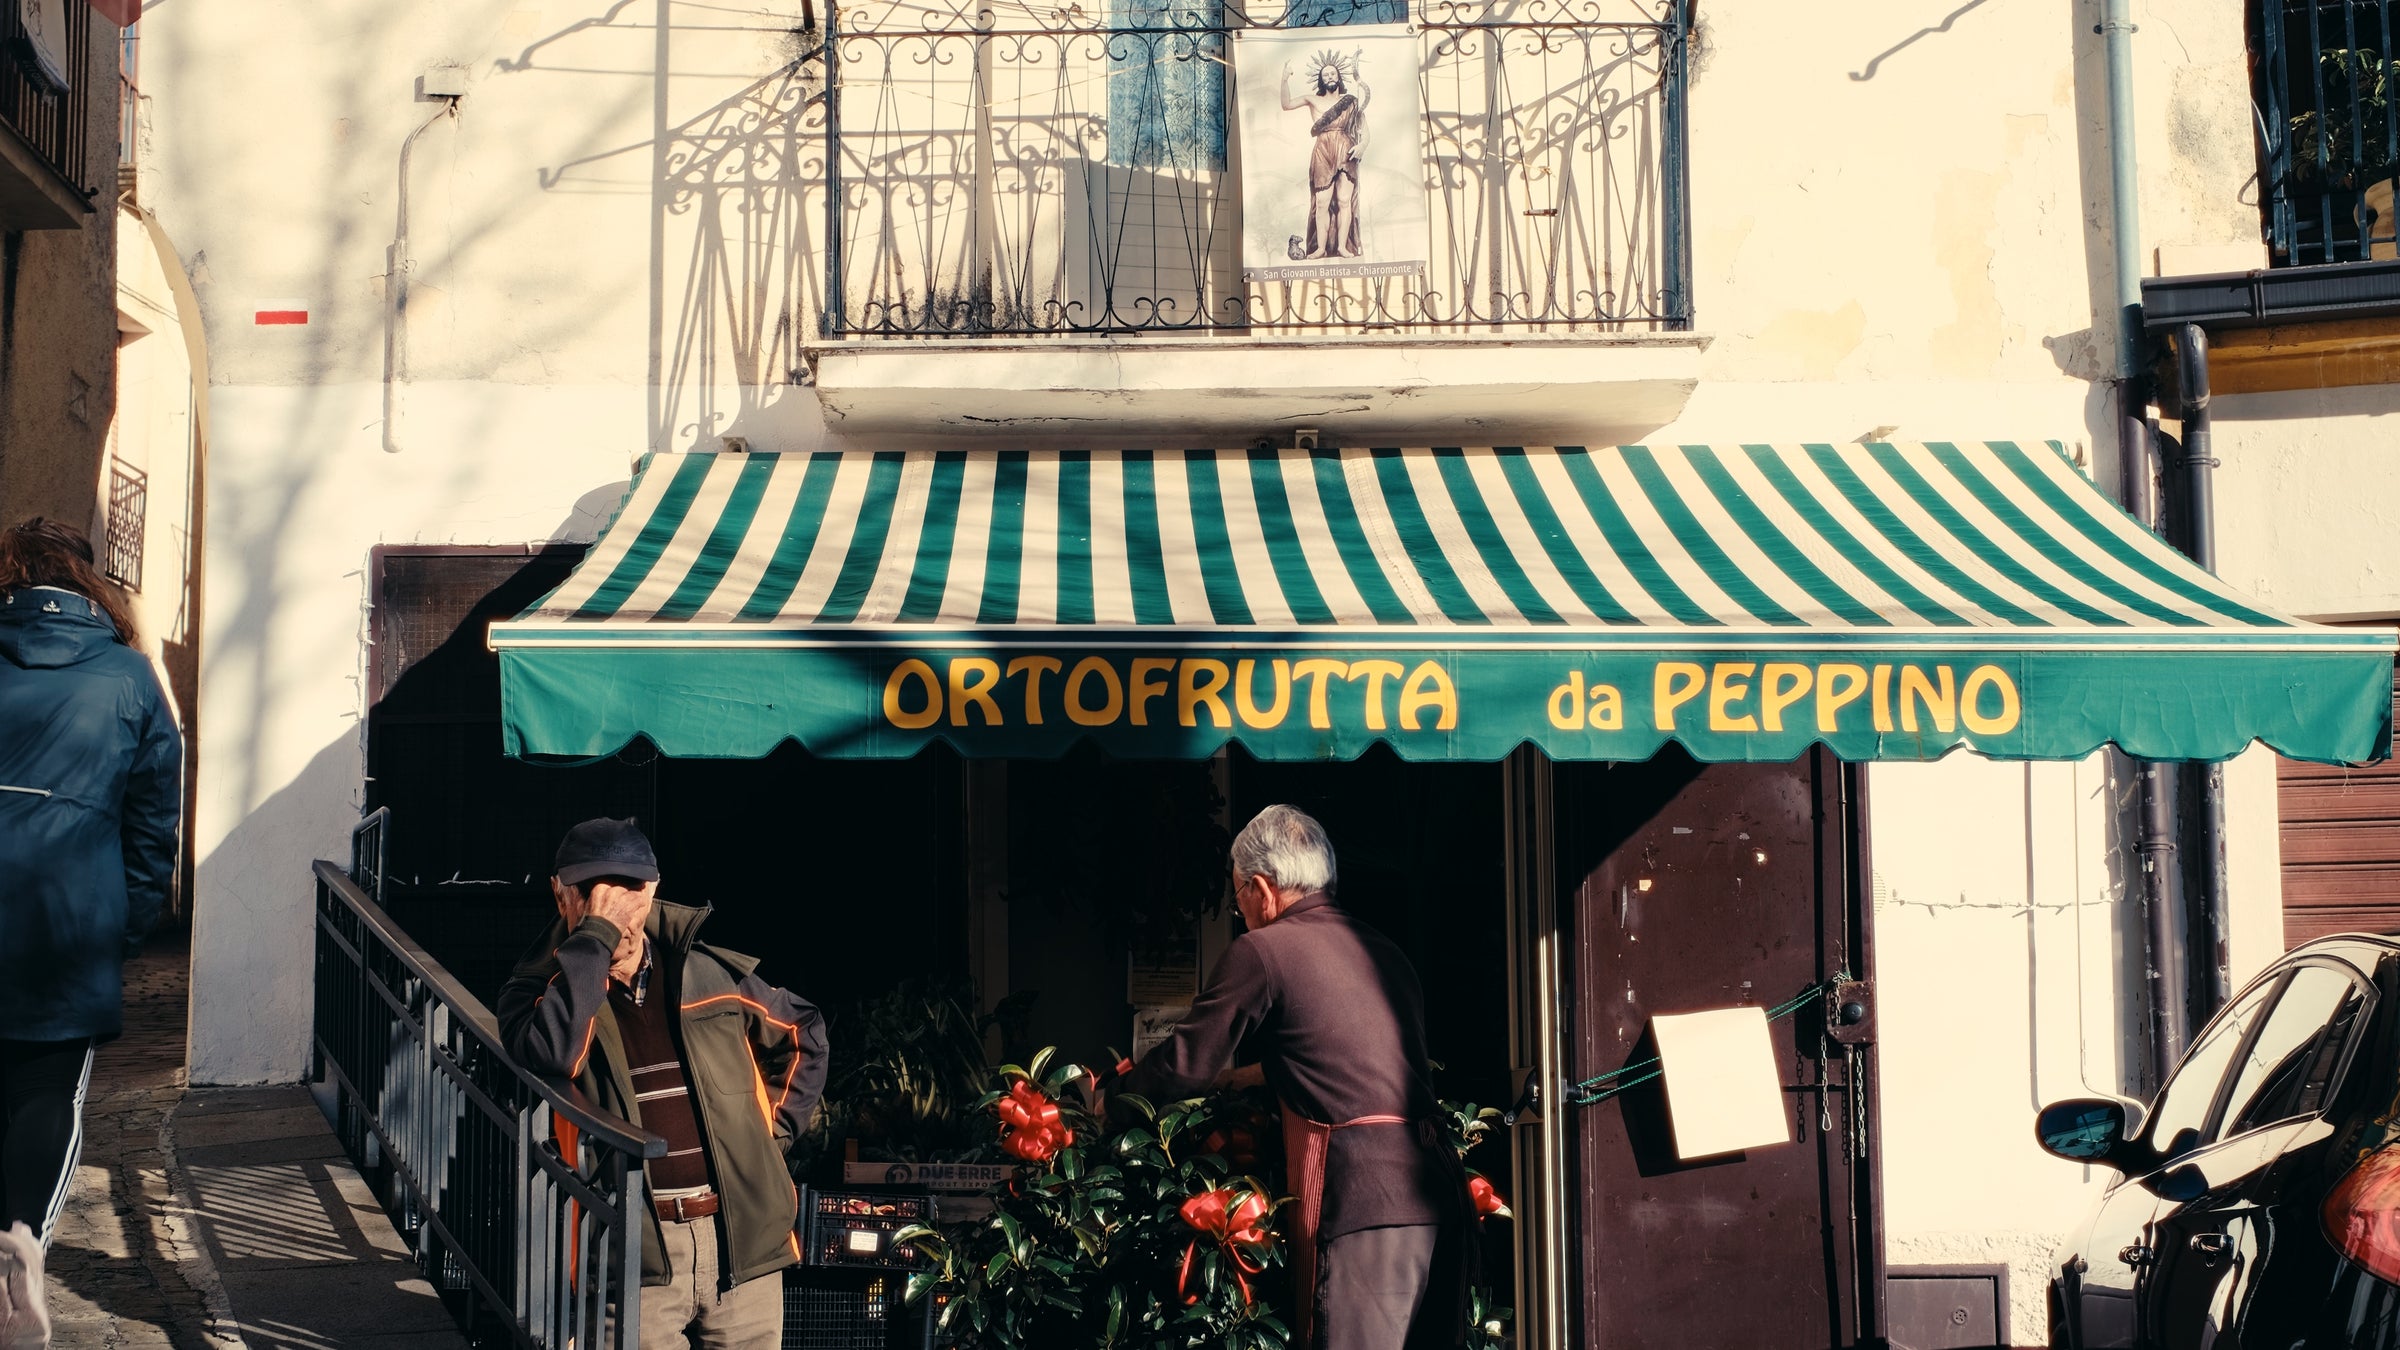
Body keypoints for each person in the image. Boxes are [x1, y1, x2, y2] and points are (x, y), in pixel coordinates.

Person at [1121, 805, 1468, 1350]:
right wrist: (1237, 1081)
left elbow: (1186, 1064)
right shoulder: (1385, 952)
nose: (1241, 914)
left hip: (1362, 1203)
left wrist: (1109, 1101)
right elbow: (1346, 1062)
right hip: (1438, 1196)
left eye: (1237, 900)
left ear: (1261, 888)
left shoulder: (1263, 950)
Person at [498, 818, 828, 1350]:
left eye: (629, 893)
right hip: (633, 1253)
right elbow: (555, 1053)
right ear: (561, 897)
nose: (618, 916)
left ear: (651, 892)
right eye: (597, 897)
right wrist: (593, 943)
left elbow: (804, 1031)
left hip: (740, 1245)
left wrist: (772, 1134)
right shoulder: (535, 994)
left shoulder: (707, 974)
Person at [0, 518, 182, 1327]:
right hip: (70, 922)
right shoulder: (132, 678)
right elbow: (153, 827)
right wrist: (127, 925)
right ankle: (21, 1238)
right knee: (47, 1092)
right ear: (92, 585)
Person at [1281, 49, 1370, 260]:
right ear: (1321, 79)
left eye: (1333, 73)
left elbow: (1364, 131)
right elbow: (1286, 105)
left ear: (1339, 76)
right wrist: (1284, 80)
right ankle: (1320, 247)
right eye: (1325, 74)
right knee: (1322, 202)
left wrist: (1362, 146)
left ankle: (1342, 246)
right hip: (1322, 150)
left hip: (1345, 148)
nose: (1330, 77)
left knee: (1344, 200)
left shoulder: (1351, 101)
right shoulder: (1312, 99)